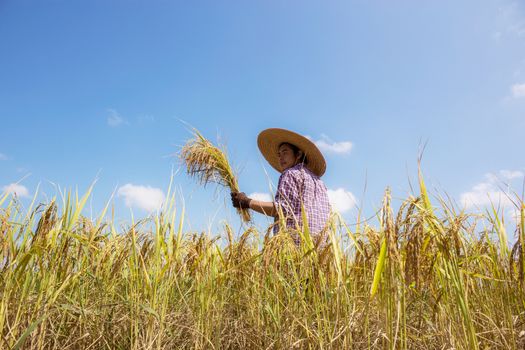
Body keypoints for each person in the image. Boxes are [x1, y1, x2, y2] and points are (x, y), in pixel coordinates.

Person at [231, 128, 331, 245]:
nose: (280, 157)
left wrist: (247, 202)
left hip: (294, 246)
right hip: (319, 248)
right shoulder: (320, 183)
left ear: (298, 154)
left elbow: (281, 210)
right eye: (279, 154)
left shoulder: (290, 173)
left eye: (285, 152)